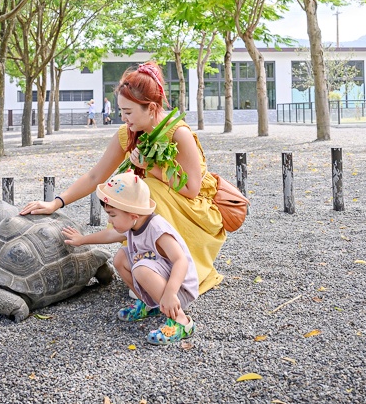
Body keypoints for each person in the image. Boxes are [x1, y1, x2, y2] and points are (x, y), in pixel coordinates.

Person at [21, 61, 225, 293]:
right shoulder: (127, 134)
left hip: (193, 208)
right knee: (127, 191)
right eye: (121, 111)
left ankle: (176, 273)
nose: (123, 118)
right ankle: (149, 267)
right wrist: (55, 203)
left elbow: (192, 189)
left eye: (128, 112)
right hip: (158, 205)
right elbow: (96, 176)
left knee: (145, 189)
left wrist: (150, 167)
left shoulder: (178, 133)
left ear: (150, 107)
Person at [62, 172, 198, 345]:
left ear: (134, 214)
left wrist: (171, 293)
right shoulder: (134, 223)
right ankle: (151, 304)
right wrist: (82, 240)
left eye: (112, 215)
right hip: (161, 281)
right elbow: (111, 234)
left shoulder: (157, 229)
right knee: (121, 257)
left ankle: (182, 321)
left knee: (140, 268)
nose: (110, 220)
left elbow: (181, 260)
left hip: (178, 290)